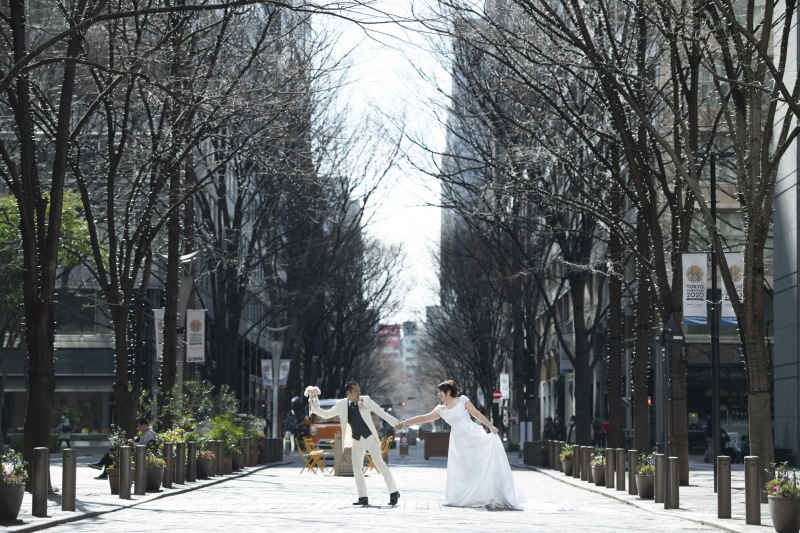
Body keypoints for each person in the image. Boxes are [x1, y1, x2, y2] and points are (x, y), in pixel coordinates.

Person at [397, 380, 526, 509]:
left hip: (473, 436)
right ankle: (470, 496)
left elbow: (476, 414)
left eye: (440, 392)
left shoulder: (462, 400)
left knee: (480, 464)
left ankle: (489, 493)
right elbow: (424, 417)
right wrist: (405, 422)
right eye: (438, 392)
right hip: (458, 442)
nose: (438, 394)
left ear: (448, 392)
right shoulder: (440, 409)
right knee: (464, 469)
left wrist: (490, 426)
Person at [308, 381, 401, 506]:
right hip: (356, 440)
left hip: (369, 438)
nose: (359, 393)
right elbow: (327, 414)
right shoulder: (341, 404)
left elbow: (381, 412)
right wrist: (314, 404)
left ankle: (394, 492)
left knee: (380, 464)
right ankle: (363, 497)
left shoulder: (365, 400)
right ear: (349, 392)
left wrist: (396, 423)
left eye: (359, 390)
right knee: (357, 468)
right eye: (356, 391)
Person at [89, 418, 158, 479]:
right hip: (137, 451)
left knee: (113, 451)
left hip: (139, 452)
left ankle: (101, 465)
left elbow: (143, 446)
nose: (138, 428)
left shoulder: (148, 434)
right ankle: (103, 469)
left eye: (139, 426)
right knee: (113, 451)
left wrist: (132, 444)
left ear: (144, 425)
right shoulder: (146, 433)